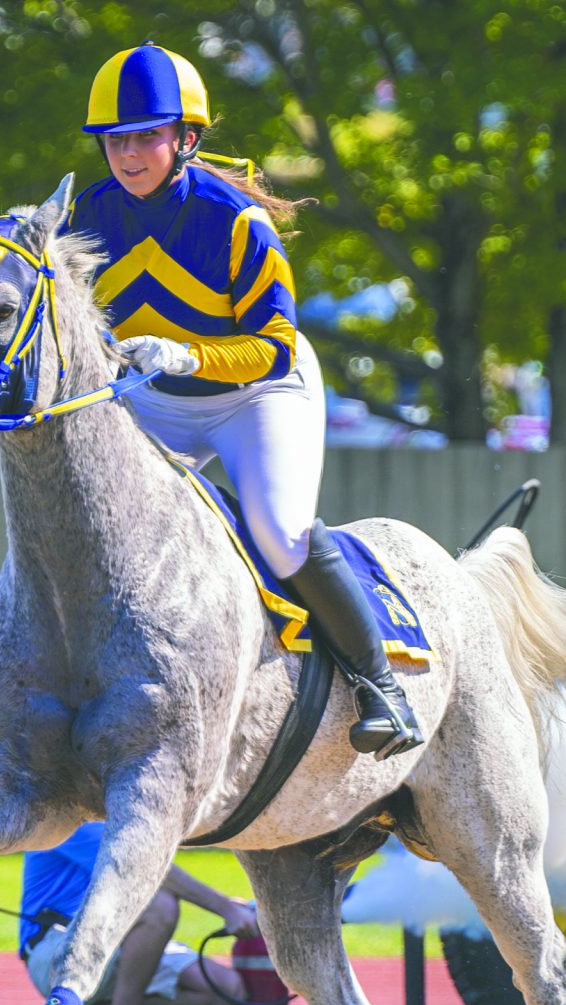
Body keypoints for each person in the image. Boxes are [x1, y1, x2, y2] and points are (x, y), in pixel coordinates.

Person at [65, 42, 423, 760]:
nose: (127, 153)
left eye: (145, 136)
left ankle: (381, 683)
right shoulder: (88, 214)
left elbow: (276, 346)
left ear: (186, 139)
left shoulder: (236, 222)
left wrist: (191, 355)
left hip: (256, 393)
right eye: (114, 139)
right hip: (157, 396)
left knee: (279, 531)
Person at [20, 822, 260, 1005]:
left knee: (226, 991)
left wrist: (231, 905)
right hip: (56, 948)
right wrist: (227, 909)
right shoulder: (72, 819)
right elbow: (143, 868)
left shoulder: (113, 814)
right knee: (159, 906)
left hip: (112, 939)